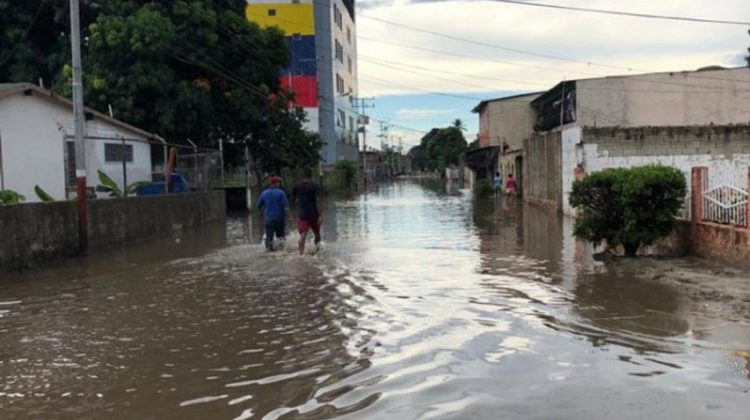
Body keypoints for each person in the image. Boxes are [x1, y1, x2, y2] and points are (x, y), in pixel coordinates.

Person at [292, 168, 323, 255]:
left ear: (302, 176)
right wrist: (320, 215)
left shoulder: (296, 186)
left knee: (303, 233)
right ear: (311, 175)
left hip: (303, 214)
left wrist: (296, 213)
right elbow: (318, 201)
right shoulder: (315, 186)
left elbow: (294, 200)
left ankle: (301, 254)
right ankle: (317, 251)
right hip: (314, 214)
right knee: (317, 233)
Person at [256, 175, 288, 251]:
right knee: (281, 238)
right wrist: (289, 217)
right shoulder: (281, 193)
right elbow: (286, 207)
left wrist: (261, 214)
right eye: (279, 182)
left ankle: (269, 252)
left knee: (269, 238)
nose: (280, 184)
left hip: (269, 219)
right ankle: (281, 252)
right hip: (280, 219)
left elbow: (259, 205)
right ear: (275, 183)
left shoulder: (264, 193)